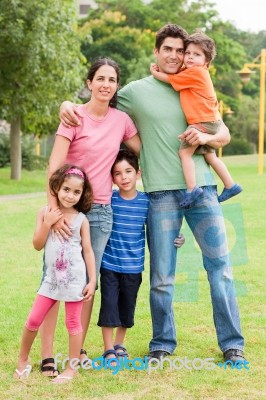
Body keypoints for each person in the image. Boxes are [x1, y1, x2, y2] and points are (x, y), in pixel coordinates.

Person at [59, 24, 245, 364]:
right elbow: (100, 98)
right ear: (157, 52)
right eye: (168, 49)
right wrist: (66, 103)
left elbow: (224, 134)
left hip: (201, 189)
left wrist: (204, 139)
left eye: (180, 50)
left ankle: (232, 343)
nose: (175, 56)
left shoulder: (194, 82)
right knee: (162, 276)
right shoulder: (136, 91)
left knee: (221, 268)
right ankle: (162, 341)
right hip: (160, 196)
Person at [39, 57, 141, 376]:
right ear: (89, 83)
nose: (106, 84)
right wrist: (54, 212)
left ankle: (78, 350)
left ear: (116, 86)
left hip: (99, 213)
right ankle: (46, 356)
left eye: (112, 80)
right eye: (100, 78)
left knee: (85, 285)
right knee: (54, 281)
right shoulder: (73, 116)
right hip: (68, 210)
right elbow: (54, 168)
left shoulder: (122, 120)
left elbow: (143, 149)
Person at [14, 165, 96, 384]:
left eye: (76, 192)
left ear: (82, 194)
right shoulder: (45, 213)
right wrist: (48, 224)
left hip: (75, 281)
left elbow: (87, 251)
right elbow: (37, 245)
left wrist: (92, 280)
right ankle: (23, 361)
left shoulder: (81, 220)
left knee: (73, 324)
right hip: (51, 280)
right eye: (66, 189)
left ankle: (71, 368)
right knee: (33, 320)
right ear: (57, 188)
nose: (70, 195)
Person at [150, 30, 242, 207]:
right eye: (188, 53)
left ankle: (192, 189)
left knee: (184, 153)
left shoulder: (196, 73)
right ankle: (231, 184)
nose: (190, 57)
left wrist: (154, 72)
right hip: (210, 121)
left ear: (206, 62)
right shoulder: (197, 72)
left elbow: (170, 79)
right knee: (210, 155)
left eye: (197, 55)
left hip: (201, 123)